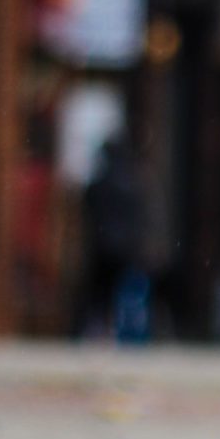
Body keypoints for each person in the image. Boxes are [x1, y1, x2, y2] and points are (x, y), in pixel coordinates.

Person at [80, 138, 148, 340]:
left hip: (102, 246)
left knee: (98, 294)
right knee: (120, 294)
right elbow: (137, 215)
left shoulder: (100, 183)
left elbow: (88, 204)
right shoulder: (131, 183)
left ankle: (98, 331)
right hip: (124, 249)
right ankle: (116, 330)